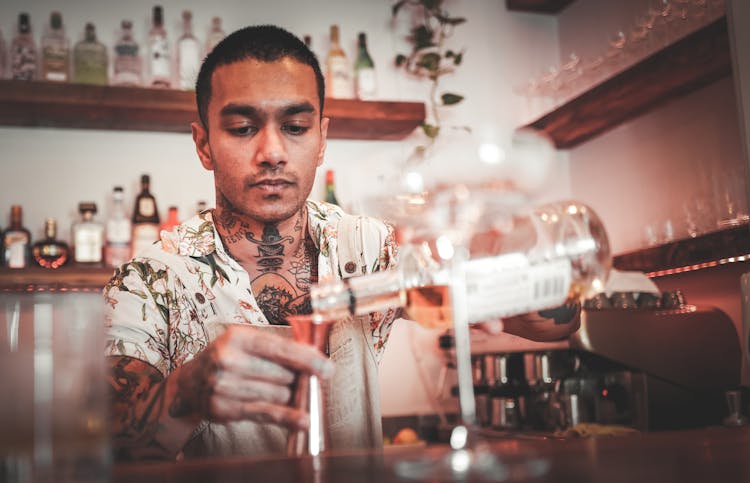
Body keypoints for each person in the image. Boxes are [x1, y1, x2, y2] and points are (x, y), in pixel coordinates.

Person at [103, 24, 581, 462]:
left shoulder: (371, 246)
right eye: (243, 127)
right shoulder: (151, 281)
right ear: (204, 144)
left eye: (295, 127)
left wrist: (506, 257)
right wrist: (185, 395)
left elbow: (554, 325)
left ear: (322, 137)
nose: (271, 153)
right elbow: (109, 448)